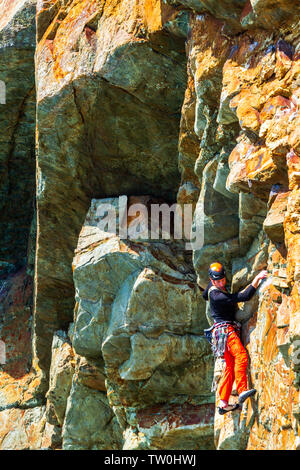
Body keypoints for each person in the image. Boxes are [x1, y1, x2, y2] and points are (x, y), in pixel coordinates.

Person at [201, 262, 267, 415]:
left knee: (230, 366)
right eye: (218, 281)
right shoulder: (218, 296)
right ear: (211, 281)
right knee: (241, 355)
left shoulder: (211, 290)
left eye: (223, 280)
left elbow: (204, 295)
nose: (222, 283)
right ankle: (243, 389)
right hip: (225, 331)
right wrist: (256, 279)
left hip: (219, 333)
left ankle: (223, 402)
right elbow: (243, 296)